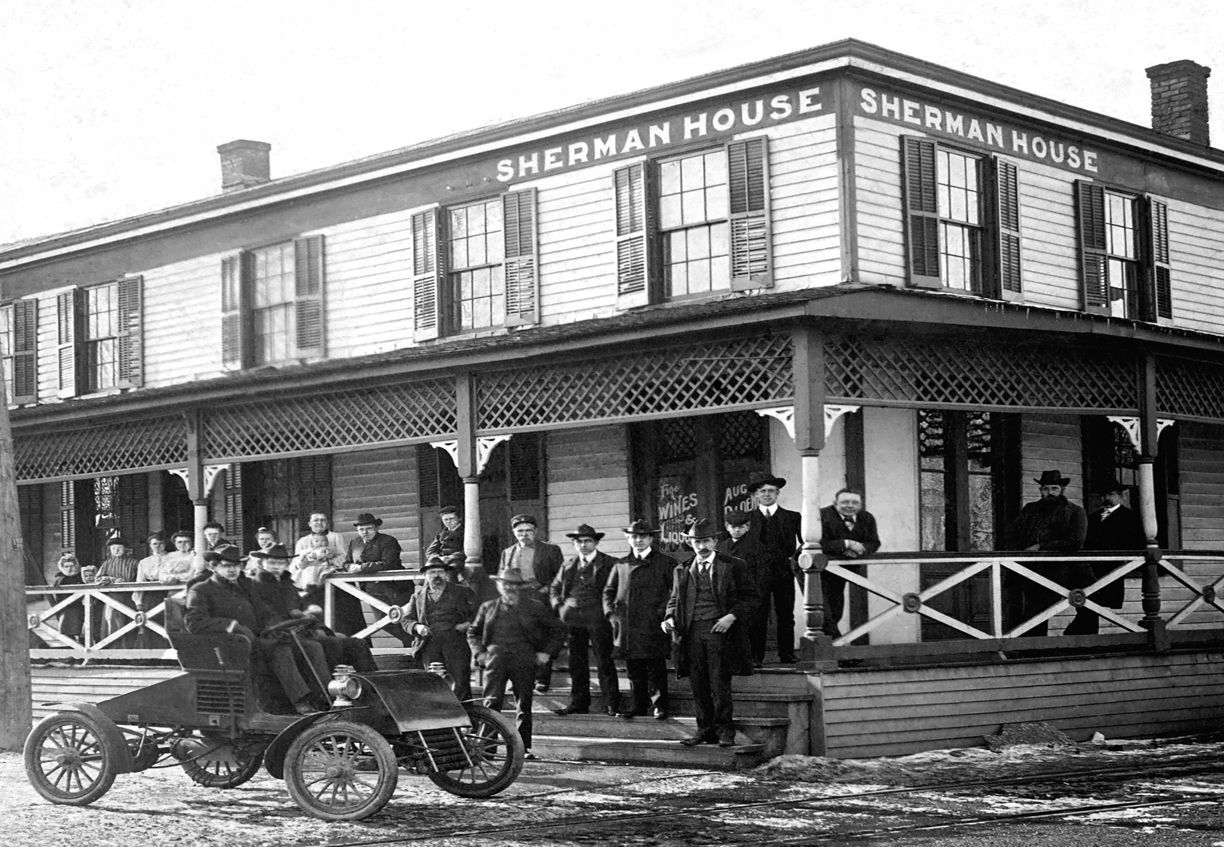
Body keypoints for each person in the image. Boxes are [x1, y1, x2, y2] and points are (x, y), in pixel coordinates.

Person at [185, 545, 331, 715]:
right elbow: (194, 622)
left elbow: (264, 612)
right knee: (279, 650)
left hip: (259, 640)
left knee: (310, 647)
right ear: (213, 567)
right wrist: (231, 625)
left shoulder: (245, 585)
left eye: (236, 566)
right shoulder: (201, 590)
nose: (232, 570)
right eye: (226, 566)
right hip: (230, 647)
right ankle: (300, 701)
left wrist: (275, 626)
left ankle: (324, 697)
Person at [662, 518, 757, 748]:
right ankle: (704, 731)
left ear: (715, 541)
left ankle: (725, 732)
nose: (701, 546)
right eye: (696, 542)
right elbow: (674, 599)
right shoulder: (682, 568)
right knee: (698, 683)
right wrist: (668, 618)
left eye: (705, 541)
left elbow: (751, 598)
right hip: (691, 633)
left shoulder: (734, 565)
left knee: (719, 683)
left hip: (720, 633)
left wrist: (731, 616)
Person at [467, 565, 566, 760]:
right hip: (495, 659)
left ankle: (522, 748)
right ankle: (488, 748)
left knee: (524, 704)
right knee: (491, 703)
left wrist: (546, 653)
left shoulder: (534, 606)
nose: (509, 588)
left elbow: (559, 629)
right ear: (498, 585)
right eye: (505, 584)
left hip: (524, 658)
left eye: (514, 584)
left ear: (520, 587)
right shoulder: (488, 607)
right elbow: (473, 632)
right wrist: (479, 653)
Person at [247, 543, 377, 673]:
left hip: (301, 630)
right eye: (271, 563)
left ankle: (371, 688)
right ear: (262, 563)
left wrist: (316, 625)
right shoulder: (256, 585)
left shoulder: (287, 583)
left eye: (280, 563)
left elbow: (300, 609)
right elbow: (267, 617)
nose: (276, 567)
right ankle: (326, 689)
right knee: (327, 645)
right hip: (280, 636)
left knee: (356, 643)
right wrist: (302, 625)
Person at [603, 519, 675, 720]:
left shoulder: (665, 563)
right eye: (634, 536)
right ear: (628, 539)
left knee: (655, 667)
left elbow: (675, 592)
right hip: (627, 625)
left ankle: (659, 705)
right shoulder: (621, 564)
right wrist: (612, 614)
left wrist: (664, 613)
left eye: (643, 536)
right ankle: (638, 705)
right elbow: (608, 592)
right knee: (634, 669)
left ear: (651, 538)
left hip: (653, 623)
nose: (638, 540)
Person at [1004, 469, 1089, 637]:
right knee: (1021, 609)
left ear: (1062, 490)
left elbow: (1075, 542)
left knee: (1038, 609)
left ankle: (1034, 647)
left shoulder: (1074, 512)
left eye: (1054, 488)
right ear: (1040, 490)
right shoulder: (1030, 510)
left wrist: (1041, 546)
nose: (1049, 493)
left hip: (1060, 571)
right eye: (1045, 489)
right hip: (1028, 569)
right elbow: (1013, 534)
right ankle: (1027, 648)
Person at [550, 524, 621, 717]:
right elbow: (555, 588)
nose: (583, 545)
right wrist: (559, 606)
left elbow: (615, 590)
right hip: (573, 618)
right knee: (576, 662)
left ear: (596, 543)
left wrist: (610, 612)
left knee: (604, 660)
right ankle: (578, 703)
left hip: (598, 617)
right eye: (579, 541)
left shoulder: (609, 563)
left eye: (588, 541)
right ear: (574, 544)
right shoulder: (568, 565)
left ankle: (611, 704)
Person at [498, 514, 564, 691]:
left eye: (528, 531)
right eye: (520, 531)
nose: (524, 534)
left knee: (541, 638)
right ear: (514, 533)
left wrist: (546, 589)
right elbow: (502, 578)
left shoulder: (550, 550)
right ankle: (518, 678)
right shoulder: (507, 552)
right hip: (517, 600)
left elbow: (560, 577)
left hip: (540, 598)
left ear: (535, 532)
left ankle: (542, 678)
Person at [1076, 479, 1148, 635]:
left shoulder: (1129, 518)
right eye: (1103, 495)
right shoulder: (1094, 517)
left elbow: (1137, 543)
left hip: (1112, 568)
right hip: (1091, 568)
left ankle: (1082, 635)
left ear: (1120, 496)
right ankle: (1084, 635)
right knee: (1085, 602)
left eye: (1111, 494)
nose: (1106, 498)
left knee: (1095, 603)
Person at [745, 474, 803, 662]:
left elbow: (806, 543)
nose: (767, 494)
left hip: (783, 572)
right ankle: (756, 656)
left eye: (771, 491)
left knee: (785, 614)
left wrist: (794, 560)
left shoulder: (792, 517)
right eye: (763, 491)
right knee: (757, 614)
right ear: (755, 495)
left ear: (778, 493)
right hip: (756, 574)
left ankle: (786, 654)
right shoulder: (747, 519)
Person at [403, 556, 476, 701]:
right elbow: (406, 620)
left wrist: (467, 624)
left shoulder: (462, 592)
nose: (436, 575)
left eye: (440, 572)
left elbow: (480, 613)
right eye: (432, 572)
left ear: (446, 574)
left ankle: (466, 719)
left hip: (455, 643)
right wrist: (417, 627)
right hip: (429, 644)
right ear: (425, 575)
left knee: (460, 683)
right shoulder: (417, 596)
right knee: (433, 685)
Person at [335, 512, 411, 645]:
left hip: (395, 587)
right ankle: (412, 642)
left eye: (368, 528)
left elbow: (389, 563)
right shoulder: (355, 543)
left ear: (376, 528)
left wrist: (361, 568)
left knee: (403, 618)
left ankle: (414, 647)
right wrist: (350, 567)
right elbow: (346, 563)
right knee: (384, 621)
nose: (365, 532)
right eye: (361, 529)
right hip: (371, 589)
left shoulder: (388, 541)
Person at [819, 488, 882, 639]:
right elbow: (818, 543)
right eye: (845, 502)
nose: (850, 505)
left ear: (860, 505)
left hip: (840, 569)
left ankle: (828, 648)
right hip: (814, 568)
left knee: (835, 610)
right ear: (835, 503)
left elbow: (874, 542)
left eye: (855, 502)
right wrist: (846, 544)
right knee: (822, 610)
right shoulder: (821, 515)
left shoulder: (867, 518)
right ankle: (838, 649)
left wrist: (860, 549)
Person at [718, 509, 770, 667]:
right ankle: (735, 659)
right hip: (729, 595)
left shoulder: (757, 547)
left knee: (755, 625)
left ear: (748, 527)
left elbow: (761, 574)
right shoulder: (721, 547)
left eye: (741, 526)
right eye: (733, 526)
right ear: (727, 527)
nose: (737, 529)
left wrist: (757, 595)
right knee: (733, 627)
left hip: (751, 593)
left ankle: (755, 658)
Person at [92, 536, 140, 642]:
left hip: (129, 597)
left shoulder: (135, 563)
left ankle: (129, 650)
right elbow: (98, 579)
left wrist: (128, 584)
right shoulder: (107, 563)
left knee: (129, 622)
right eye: (113, 548)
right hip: (112, 598)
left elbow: (140, 579)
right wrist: (112, 579)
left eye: (119, 548)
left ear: (126, 549)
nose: (116, 550)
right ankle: (112, 650)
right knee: (112, 622)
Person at [51, 552, 84, 643]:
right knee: (67, 631)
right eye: (66, 566)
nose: (70, 569)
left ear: (76, 565)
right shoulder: (60, 579)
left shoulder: (81, 577)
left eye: (72, 566)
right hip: (66, 608)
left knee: (84, 631)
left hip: (81, 607)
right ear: (62, 567)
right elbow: (57, 596)